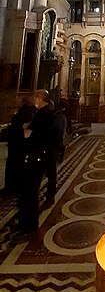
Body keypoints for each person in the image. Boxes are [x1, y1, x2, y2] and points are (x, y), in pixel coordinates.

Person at [18, 90, 55, 233]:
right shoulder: (45, 113)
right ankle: (28, 222)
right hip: (39, 155)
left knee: (31, 190)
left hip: (37, 156)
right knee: (30, 190)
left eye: (36, 97)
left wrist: (27, 129)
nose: (35, 100)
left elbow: (29, 134)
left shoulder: (43, 114)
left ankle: (30, 225)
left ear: (40, 99)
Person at [3, 95, 36, 196]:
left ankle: (11, 187)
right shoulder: (32, 113)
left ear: (23, 102)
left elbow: (19, 128)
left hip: (17, 143)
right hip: (23, 144)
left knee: (14, 165)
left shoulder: (23, 113)